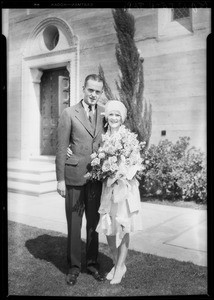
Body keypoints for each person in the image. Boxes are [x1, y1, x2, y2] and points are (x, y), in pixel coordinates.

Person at [55, 74, 106, 286]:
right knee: (75, 224)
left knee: (93, 223)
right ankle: (74, 266)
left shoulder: (105, 113)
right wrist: (59, 179)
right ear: (83, 89)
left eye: (97, 91)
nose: (93, 95)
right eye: (90, 90)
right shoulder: (69, 113)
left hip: (96, 179)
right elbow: (60, 147)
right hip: (74, 176)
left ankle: (92, 263)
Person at [95, 100, 143, 284]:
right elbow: (97, 160)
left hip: (125, 189)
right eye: (111, 114)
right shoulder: (103, 137)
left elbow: (136, 164)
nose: (114, 118)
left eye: (117, 115)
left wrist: (121, 174)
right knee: (108, 229)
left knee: (123, 228)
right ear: (106, 116)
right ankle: (118, 264)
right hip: (108, 189)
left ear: (122, 118)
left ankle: (119, 269)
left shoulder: (129, 137)